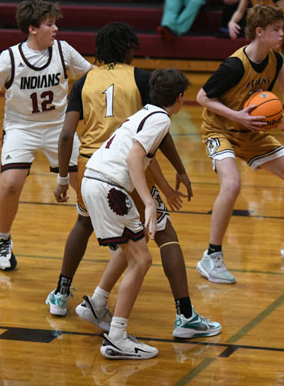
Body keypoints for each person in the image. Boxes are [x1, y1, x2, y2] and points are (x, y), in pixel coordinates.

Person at [45, 22, 221, 340]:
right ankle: (185, 314)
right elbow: (155, 130)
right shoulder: (141, 78)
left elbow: (67, 134)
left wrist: (62, 177)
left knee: (87, 226)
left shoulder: (83, 81)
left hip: (89, 166)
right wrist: (178, 170)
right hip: (126, 168)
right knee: (163, 234)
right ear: (129, 48)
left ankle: (61, 292)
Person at [196, 5, 284, 285]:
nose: (282, 34)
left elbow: (270, 92)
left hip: (250, 131)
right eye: (276, 30)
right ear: (259, 32)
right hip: (220, 130)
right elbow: (202, 97)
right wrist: (237, 115)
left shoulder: (275, 59)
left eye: (282, 29)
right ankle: (211, 256)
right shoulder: (234, 65)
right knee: (232, 185)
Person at [0, 0, 93, 271]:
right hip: (21, 127)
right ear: (32, 28)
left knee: (87, 185)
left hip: (58, 128)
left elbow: (92, 75)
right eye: (50, 24)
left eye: (55, 24)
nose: (56, 29)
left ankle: (108, 229)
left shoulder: (63, 50)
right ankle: (2, 238)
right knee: (10, 184)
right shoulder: (10, 58)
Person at [82, 68, 189, 359]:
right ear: (180, 98)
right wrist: (148, 201)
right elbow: (134, 157)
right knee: (142, 259)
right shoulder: (162, 119)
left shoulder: (144, 113)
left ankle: (97, 304)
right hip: (109, 186)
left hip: (93, 179)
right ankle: (117, 337)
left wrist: (166, 190)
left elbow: (146, 158)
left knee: (130, 246)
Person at [227, 0, 284, 131]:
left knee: (276, 76)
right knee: (280, 77)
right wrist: (232, 22)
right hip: (260, 36)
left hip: (270, 36)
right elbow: (240, 10)